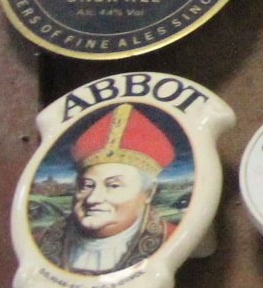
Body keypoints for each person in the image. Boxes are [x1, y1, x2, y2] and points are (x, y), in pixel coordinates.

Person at [34, 103, 177, 274]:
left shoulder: (173, 239)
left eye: (113, 185)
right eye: (86, 186)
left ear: (148, 192)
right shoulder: (39, 242)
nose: (93, 199)